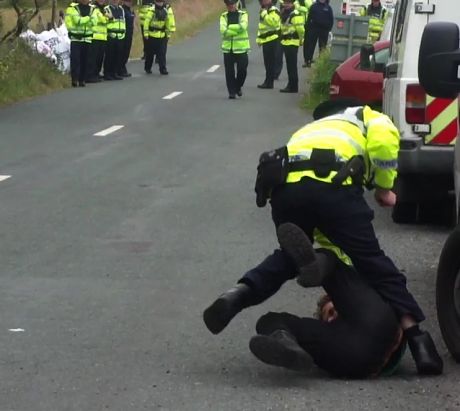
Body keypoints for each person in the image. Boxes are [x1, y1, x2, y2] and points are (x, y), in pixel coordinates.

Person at [203, 99, 443, 376]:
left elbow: (324, 237)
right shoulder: (369, 117)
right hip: (333, 184)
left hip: (285, 190)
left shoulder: (308, 131)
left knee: (291, 256)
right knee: (372, 262)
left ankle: (238, 295)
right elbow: (384, 144)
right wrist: (384, 187)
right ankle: (419, 342)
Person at [249, 222, 406, 378]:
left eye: (330, 311)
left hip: (374, 334)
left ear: (338, 301)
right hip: (355, 359)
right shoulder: (335, 335)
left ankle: (316, 266)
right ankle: (285, 342)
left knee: (334, 264)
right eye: (328, 317)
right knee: (266, 321)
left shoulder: (365, 297)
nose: (331, 318)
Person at [219, 0, 250, 99]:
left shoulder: (243, 14)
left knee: (242, 70)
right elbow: (223, 30)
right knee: (229, 72)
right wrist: (237, 29)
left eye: (232, 4)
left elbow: (243, 27)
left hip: (241, 48)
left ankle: (238, 86)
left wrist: (230, 28)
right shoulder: (223, 16)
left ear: (236, 4)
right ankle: (231, 92)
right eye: (228, 4)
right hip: (228, 48)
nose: (230, 6)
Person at [65, 0, 93, 87]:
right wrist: (89, 18)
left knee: (85, 60)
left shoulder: (92, 9)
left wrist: (86, 20)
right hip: (76, 38)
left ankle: (82, 80)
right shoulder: (72, 8)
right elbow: (78, 21)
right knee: (75, 60)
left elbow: (95, 21)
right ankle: (75, 79)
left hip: (87, 38)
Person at [143, 0, 175, 75]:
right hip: (152, 35)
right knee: (150, 54)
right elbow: (146, 22)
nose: (160, 3)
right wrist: (146, 33)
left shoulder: (165, 11)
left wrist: (168, 34)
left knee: (162, 53)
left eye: (161, 2)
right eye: (158, 2)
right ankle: (147, 68)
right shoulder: (151, 10)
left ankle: (163, 69)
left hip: (162, 35)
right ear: (155, 2)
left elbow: (167, 23)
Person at [279, 0, 304, 93]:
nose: (286, 5)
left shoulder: (295, 14)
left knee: (292, 66)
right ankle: (291, 85)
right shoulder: (285, 13)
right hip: (286, 42)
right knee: (290, 66)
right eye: (285, 3)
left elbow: (301, 29)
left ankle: (293, 86)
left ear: (292, 4)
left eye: (288, 3)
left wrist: (301, 40)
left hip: (292, 42)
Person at [256, 0, 281, 90]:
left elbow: (273, 23)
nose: (262, 2)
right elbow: (262, 27)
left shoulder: (274, 10)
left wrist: (264, 14)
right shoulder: (264, 10)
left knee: (271, 62)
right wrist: (259, 39)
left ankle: (269, 82)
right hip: (266, 40)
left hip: (273, 39)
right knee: (267, 63)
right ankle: (267, 81)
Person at [303, 0, 333, 67]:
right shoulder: (314, 6)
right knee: (311, 46)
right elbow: (309, 17)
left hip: (324, 30)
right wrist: (307, 28)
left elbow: (331, 19)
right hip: (314, 29)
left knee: (322, 47)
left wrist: (329, 28)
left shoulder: (328, 7)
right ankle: (308, 61)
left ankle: (321, 62)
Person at [86, 0, 108, 83]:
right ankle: (90, 75)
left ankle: (96, 74)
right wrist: (107, 17)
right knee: (93, 58)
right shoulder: (94, 8)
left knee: (100, 58)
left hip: (102, 37)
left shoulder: (103, 9)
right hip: (94, 37)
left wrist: (107, 17)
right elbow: (103, 20)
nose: (102, 1)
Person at [104, 0, 126, 80]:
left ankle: (115, 73)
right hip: (111, 35)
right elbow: (106, 21)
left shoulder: (121, 9)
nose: (115, 1)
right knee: (109, 56)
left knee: (118, 56)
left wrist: (124, 33)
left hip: (120, 36)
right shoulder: (107, 9)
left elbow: (123, 22)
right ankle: (107, 73)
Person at [119, 0, 135, 77]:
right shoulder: (123, 10)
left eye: (130, 1)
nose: (129, 2)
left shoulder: (130, 10)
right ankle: (120, 69)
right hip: (124, 34)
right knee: (123, 52)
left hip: (129, 34)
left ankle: (123, 67)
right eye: (127, 1)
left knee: (126, 53)